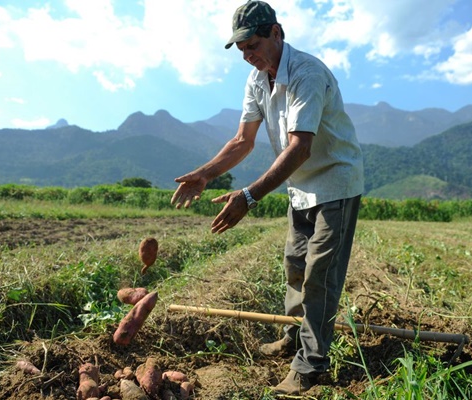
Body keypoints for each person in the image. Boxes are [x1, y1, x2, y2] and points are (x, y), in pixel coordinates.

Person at [170, 0, 364, 395]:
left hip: (335, 183)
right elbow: (243, 140)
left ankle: (311, 365)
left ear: (277, 33)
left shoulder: (307, 73)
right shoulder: (258, 79)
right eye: (241, 49)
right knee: (295, 265)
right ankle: (296, 335)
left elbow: (300, 149)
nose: (247, 55)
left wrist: (248, 196)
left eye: (253, 45)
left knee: (319, 276)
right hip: (300, 186)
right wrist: (206, 174)